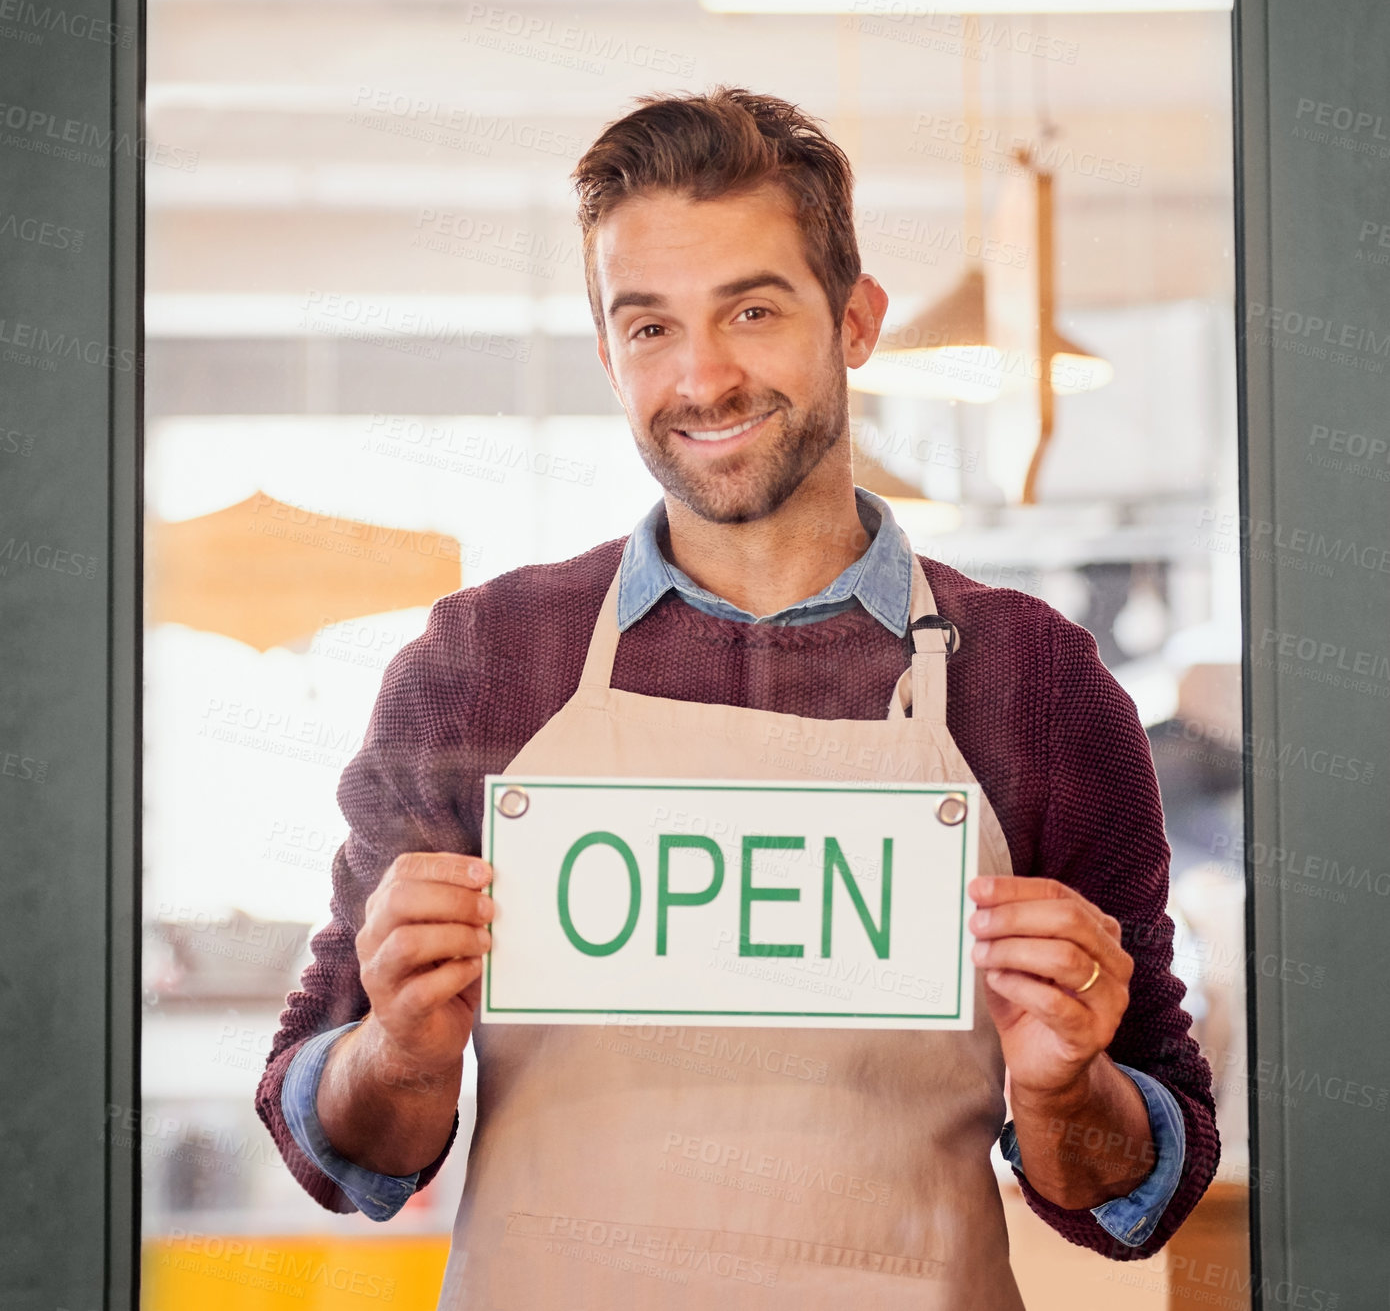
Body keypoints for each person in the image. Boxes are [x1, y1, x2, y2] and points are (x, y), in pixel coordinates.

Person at [256, 86, 1217, 1308]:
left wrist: (1070, 1091)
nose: (701, 376)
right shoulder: (481, 661)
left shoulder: (1033, 681)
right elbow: (343, 1148)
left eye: (751, 310)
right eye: (648, 327)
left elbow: (1142, 1184)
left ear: (856, 323)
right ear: (607, 353)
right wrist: (398, 1054)